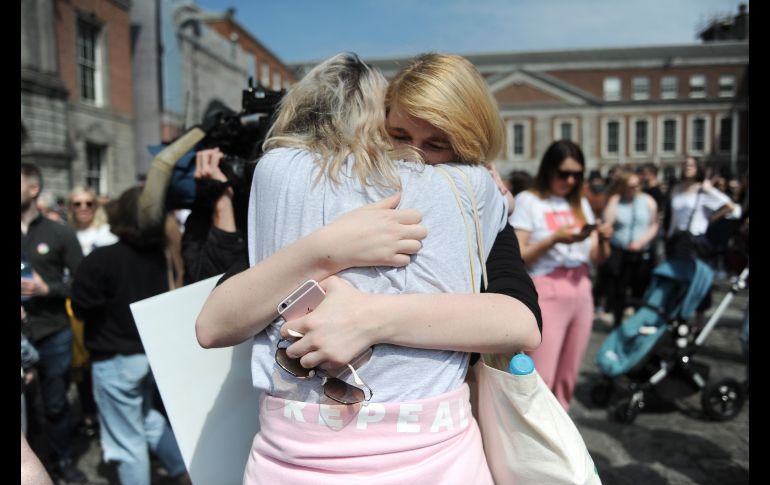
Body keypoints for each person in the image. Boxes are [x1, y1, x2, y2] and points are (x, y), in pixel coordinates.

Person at [196, 52, 541, 483]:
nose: (414, 154)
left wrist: (368, 319)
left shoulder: (474, 197)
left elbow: (521, 322)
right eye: (399, 134)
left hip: (434, 457)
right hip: (298, 458)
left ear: (470, 144)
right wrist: (329, 248)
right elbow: (213, 325)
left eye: (437, 143)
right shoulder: (311, 189)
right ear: (378, 123)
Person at [71, 186, 190, 485]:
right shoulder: (162, 258)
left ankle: (183, 470)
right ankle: (184, 470)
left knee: (126, 441)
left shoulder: (102, 260)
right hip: (148, 357)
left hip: (115, 361)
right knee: (146, 419)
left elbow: (82, 308)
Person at [510, 140, 613, 410]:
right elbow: (518, 254)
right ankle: (535, 439)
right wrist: (554, 239)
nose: (570, 180)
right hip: (547, 287)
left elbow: (598, 257)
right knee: (541, 375)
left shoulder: (580, 203)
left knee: (568, 375)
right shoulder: (529, 201)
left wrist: (603, 239)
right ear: (548, 170)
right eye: (564, 173)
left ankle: (560, 437)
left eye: (577, 174)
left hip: (581, 287)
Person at [21, 163, 87, 483]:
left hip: (53, 332)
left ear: (33, 189)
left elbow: (81, 283)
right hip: (22, 337)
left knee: (56, 404)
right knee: (26, 411)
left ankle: (62, 461)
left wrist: (48, 289)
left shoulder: (59, 232)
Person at [602, 171, 659, 327]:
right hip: (620, 251)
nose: (635, 188)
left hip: (640, 251)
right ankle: (617, 321)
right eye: (631, 186)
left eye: (637, 185)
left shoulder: (647, 201)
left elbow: (654, 224)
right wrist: (613, 201)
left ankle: (637, 322)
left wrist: (642, 242)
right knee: (618, 289)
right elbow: (608, 222)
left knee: (639, 289)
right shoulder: (617, 201)